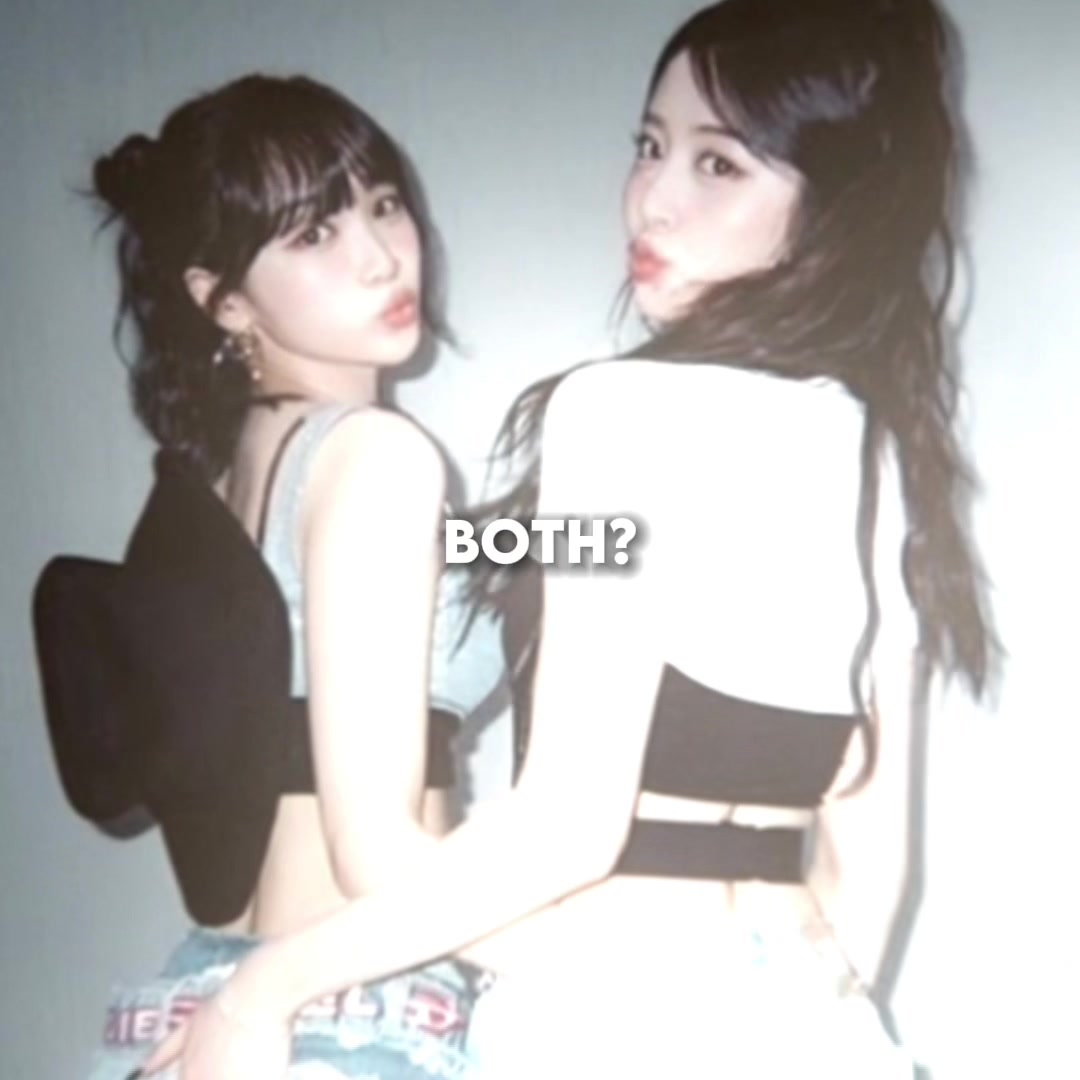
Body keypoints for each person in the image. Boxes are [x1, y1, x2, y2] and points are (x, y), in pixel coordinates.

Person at [144, 1, 999, 1076]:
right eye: (649, 145)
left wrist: (258, 993)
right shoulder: (878, 455)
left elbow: (567, 825)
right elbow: (870, 865)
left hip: (598, 1015)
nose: (653, 198)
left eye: (718, 165)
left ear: (832, 202)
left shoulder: (614, 412)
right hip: (812, 1025)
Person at [33, 73, 498, 1079]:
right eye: (314, 233)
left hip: (205, 999)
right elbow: (374, 851)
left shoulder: (224, 478)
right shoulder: (376, 457)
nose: (381, 255)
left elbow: (456, 554)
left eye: (383, 204)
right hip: (346, 1015)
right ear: (224, 300)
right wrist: (593, 945)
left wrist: (609, 535)